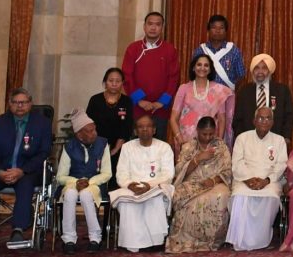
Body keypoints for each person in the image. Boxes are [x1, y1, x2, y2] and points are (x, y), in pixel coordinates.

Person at [0, 87, 53, 251]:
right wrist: (0, 171)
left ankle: (18, 230)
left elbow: (44, 153)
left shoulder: (42, 123)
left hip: (28, 171)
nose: (19, 106)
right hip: (2, 170)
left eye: (23, 102)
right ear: (9, 104)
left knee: (25, 185)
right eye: (15, 103)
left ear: (30, 104)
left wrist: (21, 171)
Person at [167, 116, 232, 254]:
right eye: (204, 134)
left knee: (221, 196)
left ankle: (211, 241)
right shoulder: (188, 147)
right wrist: (197, 159)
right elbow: (179, 172)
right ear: (197, 131)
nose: (208, 137)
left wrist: (213, 181)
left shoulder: (221, 147)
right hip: (192, 183)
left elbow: (227, 171)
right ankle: (188, 241)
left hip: (215, 182)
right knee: (183, 197)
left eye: (211, 134)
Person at [112, 115, 176, 252]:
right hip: (132, 187)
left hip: (156, 186)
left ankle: (155, 242)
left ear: (154, 130)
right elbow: (121, 173)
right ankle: (132, 243)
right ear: (135, 131)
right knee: (126, 202)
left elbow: (168, 174)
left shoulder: (164, 147)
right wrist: (129, 184)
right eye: (140, 127)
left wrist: (150, 186)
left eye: (148, 126)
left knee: (155, 198)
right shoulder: (127, 147)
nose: (144, 129)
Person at [227, 106, 287, 251]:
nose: (264, 121)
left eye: (268, 118)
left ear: (272, 122)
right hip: (244, 179)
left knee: (272, 196)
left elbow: (281, 165)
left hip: (270, 181)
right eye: (261, 118)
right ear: (254, 121)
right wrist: (248, 179)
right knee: (238, 195)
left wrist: (266, 180)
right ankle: (240, 239)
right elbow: (237, 162)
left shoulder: (279, 140)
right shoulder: (242, 138)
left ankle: (260, 239)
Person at [56, 111, 112, 253]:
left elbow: (107, 173)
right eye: (89, 131)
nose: (94, 133)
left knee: (87, 195)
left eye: (94, 129)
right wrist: (76, 182)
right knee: (69, 195)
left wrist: (90, 182)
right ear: (79, 135)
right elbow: (61, 176)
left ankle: (95, 238)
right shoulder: (69, 147)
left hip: (95, 184)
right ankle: (69, 239)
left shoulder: (103, 144)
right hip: (72, 183)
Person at [122, 11, 181, 141]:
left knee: (158, 146)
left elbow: (174, 78)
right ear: (144, 26)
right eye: (150, 24)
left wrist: (162, 102)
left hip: (160, 109)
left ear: (162, 28)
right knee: (135, 145)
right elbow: (127, 76)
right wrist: (139, 100)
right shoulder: (133, 48)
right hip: (138, 107)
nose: (153, 28)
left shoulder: (170, 50)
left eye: (157, 24)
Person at [170, 53, 231, 151]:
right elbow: (173, 118)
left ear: (210, 69)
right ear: (193, 67)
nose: (202, 68)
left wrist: (218, 142)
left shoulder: (218, 90)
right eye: (199, 64)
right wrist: (180, 140)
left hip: (209, 141)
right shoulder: (183, 88)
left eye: (206, 65)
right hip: (185, 142)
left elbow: (222, 119)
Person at [232, 53, 293, 139]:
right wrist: (242, 138)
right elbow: (238, 119)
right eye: (257, 68)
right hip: (249, 140)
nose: (260, 72)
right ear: (252, 71)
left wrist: (285, 138)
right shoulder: (244, 91)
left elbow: (289, 117)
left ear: (269, 71)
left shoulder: (282, 90)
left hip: (276, 139)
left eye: (264, 68)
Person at [87, 67, 134, 171]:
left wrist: (115, 149)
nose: (114, 84)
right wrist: (97, 147)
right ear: (105, 82)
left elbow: (127, 127)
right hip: (96, 145)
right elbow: (89, 125)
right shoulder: (95, 100)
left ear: (122, 83)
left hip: (119, 147)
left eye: (118, 81)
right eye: (111, 80)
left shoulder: (126, 101)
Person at [193, 14, 245, 91]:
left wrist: (232, 93)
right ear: (208, 30)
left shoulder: (234, 51)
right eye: (214, 27)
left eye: (221, 28)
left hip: (226, 97)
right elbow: (193, 74)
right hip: (203, 96)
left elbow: (241, 76)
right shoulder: (200, 50)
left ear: (226, 31)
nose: (217, 31)